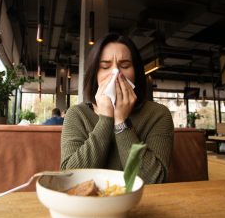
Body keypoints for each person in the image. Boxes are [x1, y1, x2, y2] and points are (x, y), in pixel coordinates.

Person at [60, 33, 174, 184]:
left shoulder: (157, 114)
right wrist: (106, 119)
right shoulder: (77, 114)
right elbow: (70, 178)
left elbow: (155, 180)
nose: (116, 73)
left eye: (125, 65)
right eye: (105, 66)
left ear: (136, 72)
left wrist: (121, 121)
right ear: (95, 74)